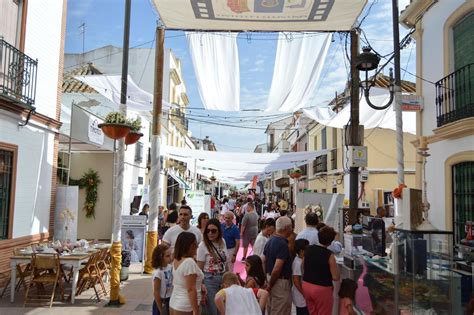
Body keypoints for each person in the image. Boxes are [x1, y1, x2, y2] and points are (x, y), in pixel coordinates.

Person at [302, 226, 340, 315]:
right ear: (330, 242)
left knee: (312, 312)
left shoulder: (308, 249)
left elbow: (302, 265)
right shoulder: (329, 255)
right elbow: (335, 277)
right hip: (322, 288)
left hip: (307, 284)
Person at [262, 216, 293, 315]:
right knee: (280, 309)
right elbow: (277, 268)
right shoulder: (282, 244)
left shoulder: (270, 240)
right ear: (287, 228)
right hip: (279, 282)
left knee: (272, 308)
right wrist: (270, 284)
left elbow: (263, 261)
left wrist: (267, 279)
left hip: (270, 277)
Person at [197, 219, 228, 315]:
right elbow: (199, 268)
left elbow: (225, 262)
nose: (210, 233)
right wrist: (201, 285)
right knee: (212, 309)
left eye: (213, 231)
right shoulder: (203, 245)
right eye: (208, 231)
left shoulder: (222, 242)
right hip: (209, 279)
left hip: (223, 278)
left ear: (219, 231)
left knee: (222, 308)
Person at [170, 232, 205, 315]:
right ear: (189, 246)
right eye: (195, 244)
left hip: (174, 303)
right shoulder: (189, 262)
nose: (197, 246)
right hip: (186, 306)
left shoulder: (176, 260)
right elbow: (191, 289)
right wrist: (196, 310)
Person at [152, 244, 173, 315]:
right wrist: (161, 310)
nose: (170, 258)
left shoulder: (170, 267)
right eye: (167, 256)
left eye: (170, 255)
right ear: (160, 257)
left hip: (170, 299)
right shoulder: (158, 273)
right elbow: (156, 292)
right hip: (161, 301)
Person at [292, 239, 309, 315]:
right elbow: (296, 280)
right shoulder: (297, 263)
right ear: (302, 251)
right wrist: (303, 293)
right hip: (300, 297)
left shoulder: (302, 260)